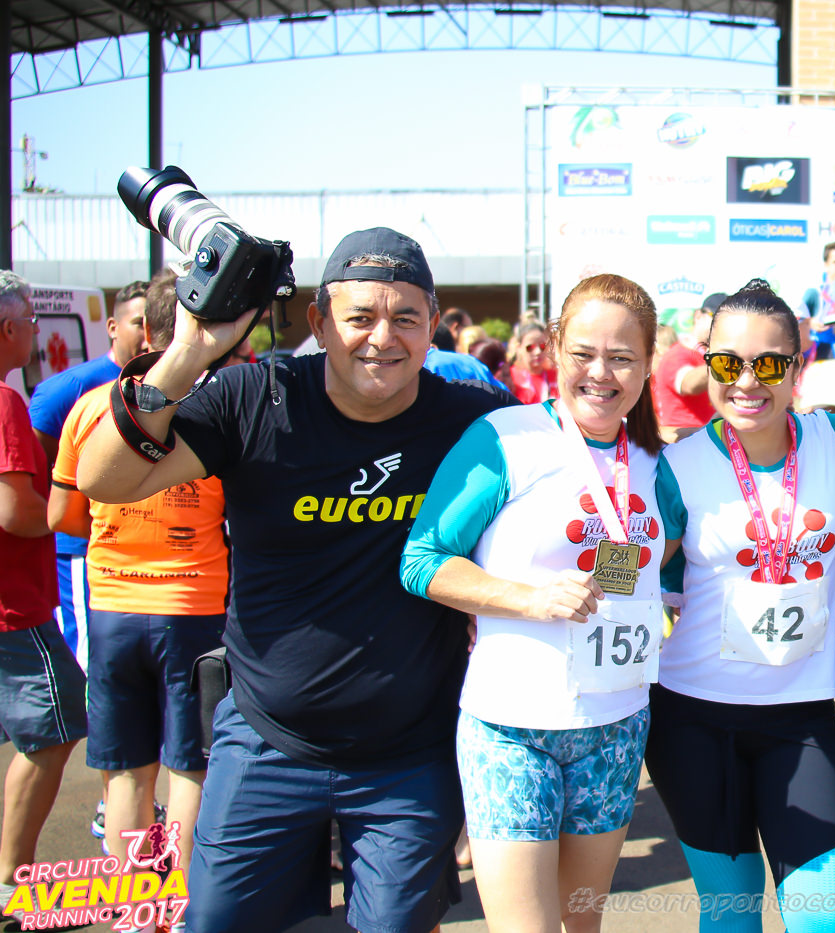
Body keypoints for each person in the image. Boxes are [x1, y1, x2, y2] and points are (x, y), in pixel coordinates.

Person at [76, 227, 514, 933]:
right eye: (360, 316)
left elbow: (594, 503)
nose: (382, 338)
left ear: (433, 324)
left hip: (408, 758)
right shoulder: (256, 397)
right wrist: (187, 352)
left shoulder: (473, 422)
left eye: (406, 317)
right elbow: (105, 478)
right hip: (264, 741)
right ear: (319, 321)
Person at [401, 273, 663, 933]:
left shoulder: (657, 463)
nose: (600, 373)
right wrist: (529, 598)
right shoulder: (505, 438)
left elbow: (671, 564)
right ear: (554, 345)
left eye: (622, 357)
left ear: (648, 363)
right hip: (511, 725)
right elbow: (421, 560)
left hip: (616, 726)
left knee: (583, 926)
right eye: (584, 353)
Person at [647, 280, 835, 933]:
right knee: (732, 914)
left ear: (798, 368)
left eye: (769, 364)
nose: (747, 381)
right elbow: (625, 571)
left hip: (800, 717)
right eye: (727, 363)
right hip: (691, 717)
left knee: (828, 914)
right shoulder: (676, 466)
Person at [48, 270, 226, 874]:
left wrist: (120, 525)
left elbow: (62, 516)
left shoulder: (91, 407)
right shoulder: (219, 410)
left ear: (145, 329)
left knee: (126, 769)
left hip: (113, 607)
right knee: (190, 766)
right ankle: (180, 899)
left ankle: (135, 904)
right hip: (195, 608)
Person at [0, 271, 87, 914]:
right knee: (54, 730)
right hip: (15, 606)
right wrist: (79, 503)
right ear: (8, 328)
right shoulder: (4, 402)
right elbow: (16, 511)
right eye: (31, 321)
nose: (35, 332)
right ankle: (14, 880)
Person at [28, 279, 148, 666]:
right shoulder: (69, 389)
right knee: (88, 657)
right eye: (138, 322)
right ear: (112, 327)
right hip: (85, 551)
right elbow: (36, 470)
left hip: (148, 555)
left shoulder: (171, 385)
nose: (147, 333)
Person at [654, 294, 721, 443]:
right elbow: (689, 384)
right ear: (698, 316)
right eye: (716, 317)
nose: (721, 325)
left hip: (708, 442)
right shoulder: (677, 354)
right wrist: (726, 361)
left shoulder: (707, 355)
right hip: (683, 445)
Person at [510, 320, 559, 404]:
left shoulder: (556, 376)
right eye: (530, 347)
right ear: (519, 348)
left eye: (542, 346)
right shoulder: (510, 377)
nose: (537, 352)